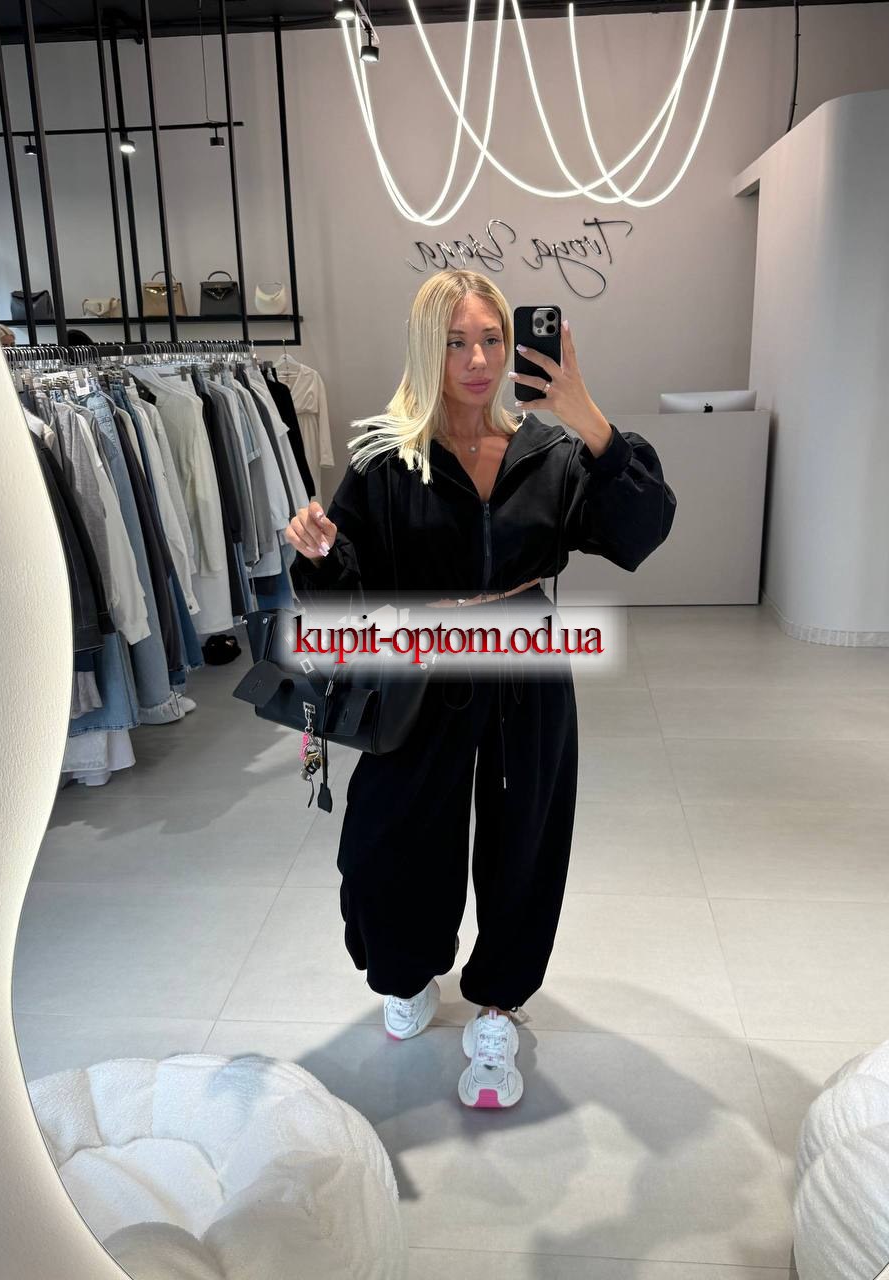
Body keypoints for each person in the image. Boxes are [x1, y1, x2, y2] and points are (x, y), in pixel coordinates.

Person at [285, 269, 676, 1109]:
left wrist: (587, 416)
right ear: (428, 349)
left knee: (525, 837)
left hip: (526, 666)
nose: (478, 360)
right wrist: (319, 554)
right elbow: (345, 591)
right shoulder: (387, 461)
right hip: (420, 669)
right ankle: (408, 969)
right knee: (391, 840)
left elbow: (640, 533)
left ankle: (497, 1005)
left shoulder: (554, 453)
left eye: (493, 340)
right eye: (457, 342)